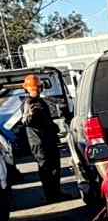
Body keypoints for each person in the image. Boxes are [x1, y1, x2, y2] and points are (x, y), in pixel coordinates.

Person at [18, 74, 67, 202]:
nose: (38, 90)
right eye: (37, 88)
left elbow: (44, 121)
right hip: (39, 142)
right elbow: (26, 121)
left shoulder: (39, 101)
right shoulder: (29, 103)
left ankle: (56, 193)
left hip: (47, 140)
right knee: (46, 169)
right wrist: (30, 115)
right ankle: (51, 195)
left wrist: (53, 127)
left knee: (54, 167)